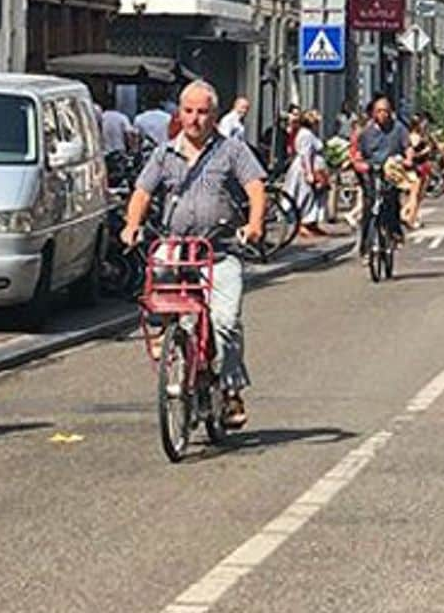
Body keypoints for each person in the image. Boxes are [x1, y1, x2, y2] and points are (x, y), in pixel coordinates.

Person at [120, 81, 266, 429]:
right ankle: (166, 335)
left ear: (214, 115)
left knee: (226, 322)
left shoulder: (232, 151)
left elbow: (255, 187)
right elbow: (142, 193)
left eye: (203, 112)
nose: (195, 119)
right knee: (158, 281)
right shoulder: (164, 154)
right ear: (179, 114)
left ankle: (230, 389)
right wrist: (131, 225)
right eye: (189, 111)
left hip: (219, 250)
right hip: (178, 247)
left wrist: (255, 223)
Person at [352, 93, 411, 251]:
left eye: (385, 110)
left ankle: (394, 232)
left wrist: (407, 159)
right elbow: (357, 152)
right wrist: (358, 163)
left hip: (391, 168)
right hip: (372, 170)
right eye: (379, 111)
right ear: (373, 113)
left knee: (391, 199)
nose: (382, 114)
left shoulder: (398, 128)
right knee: (369, 205)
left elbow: (407, 147)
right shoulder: (366, 132)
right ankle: (365, 246)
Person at [283, 110, 330, 237]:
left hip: (316, 167)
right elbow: (306, 154)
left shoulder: (309, 134)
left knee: (315, 195)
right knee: (306, 195)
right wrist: (309, 173)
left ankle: (312, 223)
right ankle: (303, 223)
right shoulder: (306, 135)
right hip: (306, 169)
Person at [402, 112, 435, 229]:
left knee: (417, 195)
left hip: (421, 166)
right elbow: (413, 153)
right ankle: (409, 216)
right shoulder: (415, 137)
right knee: (416, 195)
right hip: (419, 166)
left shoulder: (418, 135)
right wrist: (425, 151)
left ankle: (412, 216)